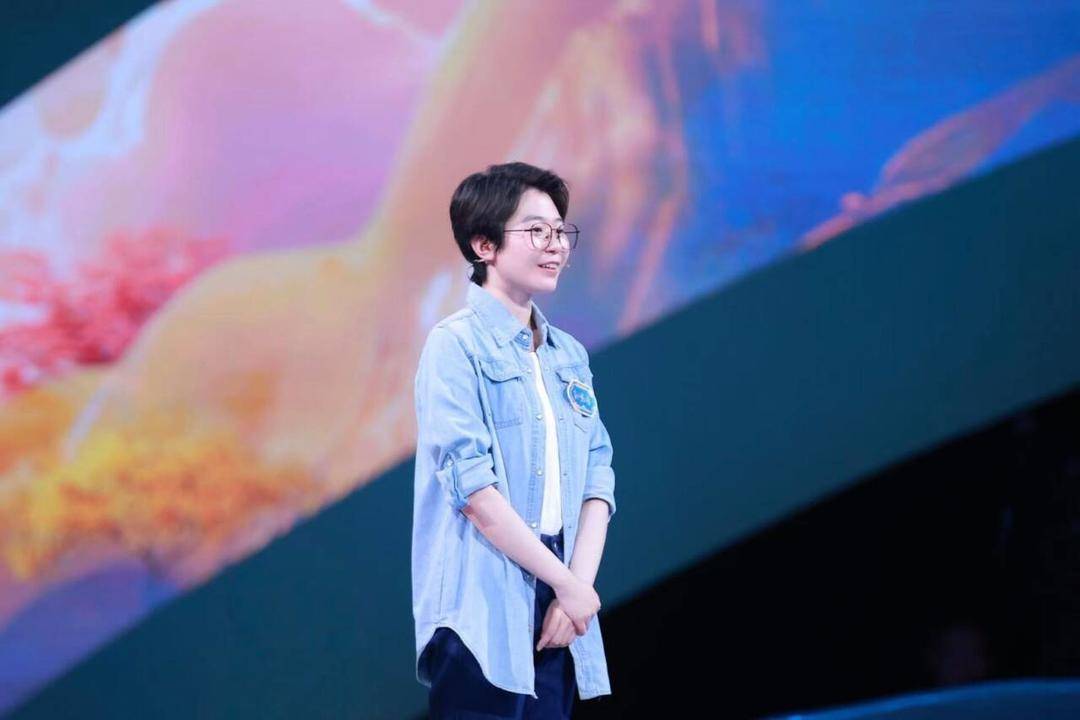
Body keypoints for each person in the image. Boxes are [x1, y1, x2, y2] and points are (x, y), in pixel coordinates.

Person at [412, 162, 617, 718]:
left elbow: (597, 475)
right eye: (536, 231)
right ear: (485, 246)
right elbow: (475, 493)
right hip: (483, 594)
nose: (556, 245)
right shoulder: (454, 346)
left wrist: (575, 589)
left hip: (561, 594)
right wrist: (568, 585)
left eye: (560, 231)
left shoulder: (567, 353)